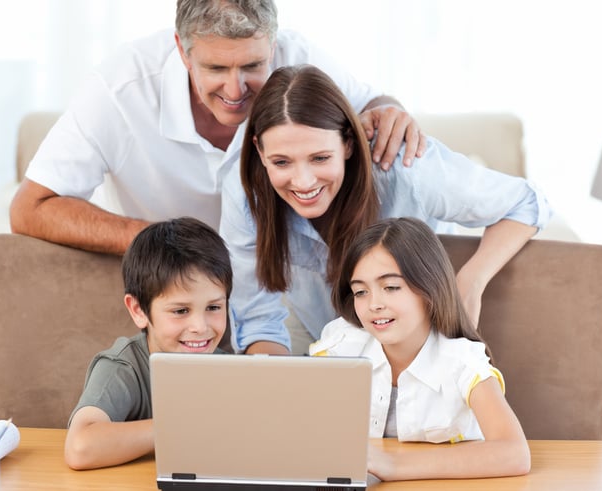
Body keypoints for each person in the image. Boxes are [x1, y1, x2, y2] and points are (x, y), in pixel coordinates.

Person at [9, 0, 425, 255]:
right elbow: (30, 207)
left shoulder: (299, 58)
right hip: (184, 283)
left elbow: (377, 104)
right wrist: (164, 240)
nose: (235, 89)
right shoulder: (119, 90)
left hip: (285, 273)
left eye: (252, 65)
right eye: (215, 68)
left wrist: (390, 112)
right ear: (182, 51)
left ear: (273, 44)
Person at [220, 64, 552, 355]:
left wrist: (469, 282)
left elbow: (527, 202)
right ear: (259, 152)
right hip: (323, 342)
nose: (304, 182)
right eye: (281, 162)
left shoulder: (408, 170)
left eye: (320, 158)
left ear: (348, 143)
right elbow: (258, 320)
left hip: (418, 342)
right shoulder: (245, 192)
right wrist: (280, 384)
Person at [309, 217, 531, 480]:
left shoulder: (463, 362)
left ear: (429, 288)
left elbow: (514, 453)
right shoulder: (339, 346)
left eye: (391, 287)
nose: (373, 304)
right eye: (360, 292)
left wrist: (394, 467)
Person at [64, 216, 232, 470]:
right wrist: (181, 426)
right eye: (180, 311)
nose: (201, 327)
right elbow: (80, 447)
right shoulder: (122, 367)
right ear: (139, 310)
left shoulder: (230, 370)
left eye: (214, 307)